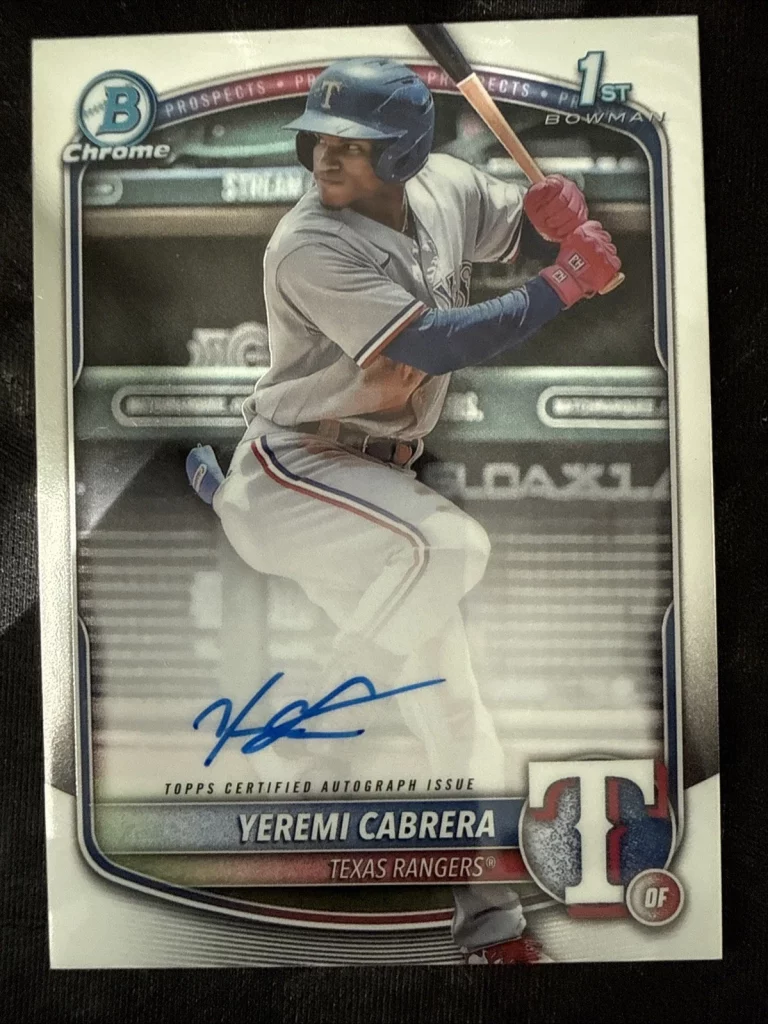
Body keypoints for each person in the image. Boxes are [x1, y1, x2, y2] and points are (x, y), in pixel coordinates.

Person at [187, 57, 620, 964]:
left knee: (456, 716)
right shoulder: (306, 242)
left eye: (353, 144)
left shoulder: (449, 185)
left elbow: (516, 225)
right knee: (448, 545)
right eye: (319, 139)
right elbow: (434, 340)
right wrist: (563, 284)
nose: (326, 157)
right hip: (299, 469)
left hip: (372, 488)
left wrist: (552, 219)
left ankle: (492, 929)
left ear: (406, 153)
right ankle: (323, 720)